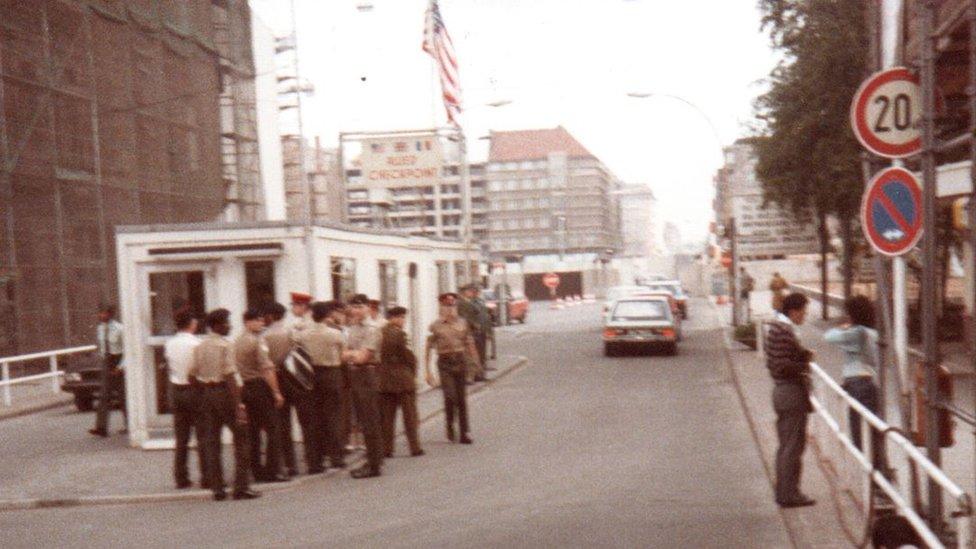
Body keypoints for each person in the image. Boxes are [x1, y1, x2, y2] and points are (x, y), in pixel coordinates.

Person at [190, 308, 259, 501]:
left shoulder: (200, 346)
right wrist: (239, 405)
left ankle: (217, 488)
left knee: (212, 442)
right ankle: (241, 486)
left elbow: (191, 374)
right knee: (242, 437)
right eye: (227, 322)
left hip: (207, 394)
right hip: (225, 393)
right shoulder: (225, 346)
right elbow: (230, 375)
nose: (230, 326)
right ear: (217, 325)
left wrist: (202, 393)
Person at [765, 292, 815, 508]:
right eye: (803, 311)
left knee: (787, 445)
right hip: (790, 392)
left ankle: (786, 491)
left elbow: (779, 359)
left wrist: (803, 355)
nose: (805, 316)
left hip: (783, 392)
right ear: (794, 311)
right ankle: (788, 494)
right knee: (792, 447)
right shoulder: (785, 331)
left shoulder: (778, 328)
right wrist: (805, 364)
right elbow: (782, 365)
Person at [824, 296, 884, 461]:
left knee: (860, 438)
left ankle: (875, 479)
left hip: (858, 385)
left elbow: (829, 336)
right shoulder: (873, 333)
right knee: (871, 435)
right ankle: (879, 477)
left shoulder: (857, 333)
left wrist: (844, 327)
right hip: (869, 384)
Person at [294, 300, 348, 473]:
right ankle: (336, 457)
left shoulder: (302, 334)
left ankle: (314, 461)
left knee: (312, 419)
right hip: (331, 374)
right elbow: (343, 355)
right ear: (327, 316)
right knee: (333, 416)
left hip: (310, 375)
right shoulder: (335, 334)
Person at [264, 302, 316, 478]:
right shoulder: (292, 331)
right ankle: (312, 462)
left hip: (277, 379)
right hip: (295, 377)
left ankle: (290, 464)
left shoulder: (265, 336)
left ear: (270, 315)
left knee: (283, 424)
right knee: (306, 421)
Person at [235, 309, 286, 483]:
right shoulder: (258, 342)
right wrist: (276, 392)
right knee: (273, 429)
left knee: (253, 431)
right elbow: (267, 369)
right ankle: (273, 470)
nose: (262, 323)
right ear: (248, 322)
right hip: (259, 386)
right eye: (258, 320)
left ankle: (256, 470)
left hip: (245, 387)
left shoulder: (237, 341)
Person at [425, 292, 479, 444]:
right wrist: (427, 370)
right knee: (450, 396)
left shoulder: (463, 323)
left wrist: (475, 363)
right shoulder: (435, 325)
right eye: (447, 306)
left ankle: (464, 432)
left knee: (461, 399)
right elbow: (428, 346)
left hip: (460, 361)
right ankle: (449, 425)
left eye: (453, 305)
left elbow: (469, 343)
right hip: (445, 362)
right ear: (441, 307)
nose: (450, 308)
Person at [341, 294, 385, 479]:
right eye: (353, 307)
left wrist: (352, 355)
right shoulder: (353, 329)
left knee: (369, 421)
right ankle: (374, 458)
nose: (355, 311)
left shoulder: (372, 330)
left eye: (360, 307)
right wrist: (352, 355)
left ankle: (374, 465)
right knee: (363, 419)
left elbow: (363, 357)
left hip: (367, 374)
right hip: (356, 375)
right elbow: (342, 355)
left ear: (368, 308)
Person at [164, 310, 206, 489]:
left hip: (177, 389)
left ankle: (181, 477)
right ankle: (207, 475)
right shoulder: (197, 343)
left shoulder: (169, 343)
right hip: (194, 389)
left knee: (181, 438)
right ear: (191, 323)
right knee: (203, 435)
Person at [378, 306, 423, 458]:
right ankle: (414, 447)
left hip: (385, 380)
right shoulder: (400, 334)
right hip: (403, 379)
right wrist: (413, 373)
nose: (403, 321)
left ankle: (387, 448)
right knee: (409, 416)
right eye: (402, 318)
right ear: (395, 318)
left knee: (387, 418)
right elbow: (409, 356)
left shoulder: (380, 333)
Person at [90, 305, 126, 437]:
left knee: (123, 395)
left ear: (111, 314)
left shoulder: (120, 329)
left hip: (118, 360)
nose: (101, 316)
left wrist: (121, 367)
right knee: (104, 395)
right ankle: (101, 427)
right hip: (107, 361)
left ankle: (130, 425)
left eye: (104, 313)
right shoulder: (100, 329)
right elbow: (102, 347)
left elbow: (126, 350)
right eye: (100, 313)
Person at [457, 284, 491, 382]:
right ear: (464, 292)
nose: (472, 293)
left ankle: (479, 373)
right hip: (470, 331)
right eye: (470, 291)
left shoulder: (474, 302)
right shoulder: (462, 303)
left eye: (473, 291)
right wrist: (475, 324)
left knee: (480, 353)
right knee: (472, 355)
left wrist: (486, 330)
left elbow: (484, 316)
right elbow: (465, 318)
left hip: (478, 331)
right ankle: (474, 375)